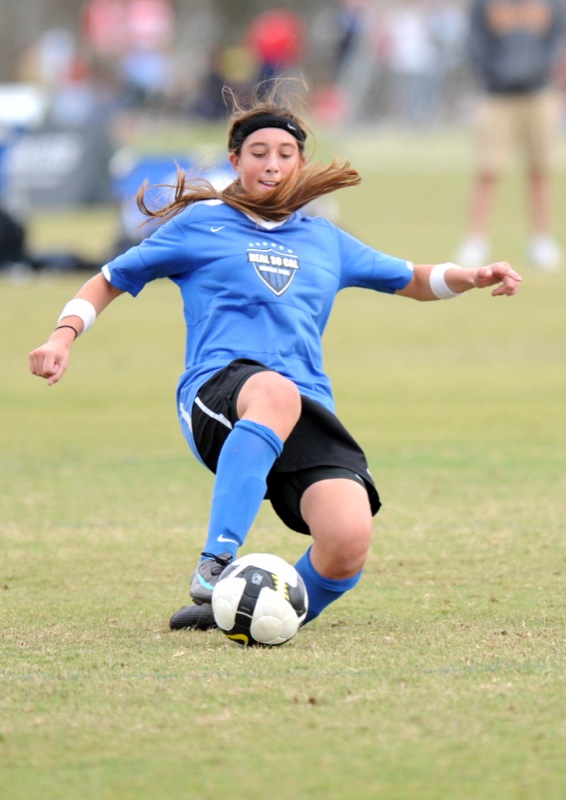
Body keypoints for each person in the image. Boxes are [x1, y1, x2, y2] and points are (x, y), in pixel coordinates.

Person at [29, 83, 522, 633]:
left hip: (304, 404)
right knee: (274, 391)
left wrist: (471, 276)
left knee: (347, 540)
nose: (272, 164)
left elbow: (414, 278)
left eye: (285, 154)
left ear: (300, 163)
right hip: (219, 393)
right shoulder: (201, 226)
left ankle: (244, 615)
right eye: (259, 153)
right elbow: (109, 279)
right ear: (235, 160)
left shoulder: (325, 240)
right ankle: (216, 563)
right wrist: (62, 336)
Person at [456, 0, 566, 271]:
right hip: (497, 95)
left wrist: (538, 69)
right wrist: (496, 73)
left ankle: (540, 240)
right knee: (488, 169)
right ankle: (475, 240)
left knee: (540, 168)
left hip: (538, 93)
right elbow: (475, 42)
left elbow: (555, 39)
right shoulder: (484, 3)